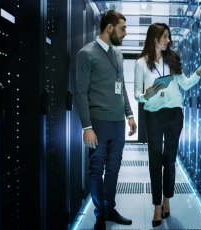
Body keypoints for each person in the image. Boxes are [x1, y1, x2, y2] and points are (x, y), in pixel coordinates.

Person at [133, 22, 201, 227]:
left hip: (174, 114)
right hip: (152, 115)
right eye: (165, 36)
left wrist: (198, 72)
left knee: (169, 159)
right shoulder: (141, 63)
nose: (168, 40)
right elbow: (136, 94)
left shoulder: (173, 59)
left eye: (169, 37)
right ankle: (156, 206)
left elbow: (185, 84)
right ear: (155, 38)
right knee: (154, 161)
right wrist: (145, 95)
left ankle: (166, 199)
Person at [75, 10, 137, 230]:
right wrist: (87, 126)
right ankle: (100, 214)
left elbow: (122, 90)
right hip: (98, 123)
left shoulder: (117, 54)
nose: (125, 33)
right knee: (96, 169)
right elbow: (80, 93)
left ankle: (109, 208)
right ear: (109, 28)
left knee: (113, 169)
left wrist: (129, 115)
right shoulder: (86, 54)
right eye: (122, 28)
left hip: (117, 123)